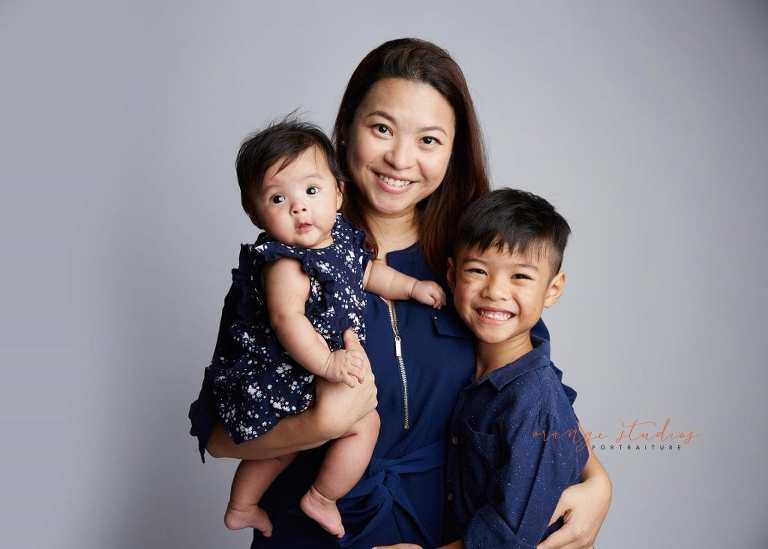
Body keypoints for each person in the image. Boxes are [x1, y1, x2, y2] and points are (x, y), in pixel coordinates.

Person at [189, 38, 612, 548]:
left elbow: (530, 395)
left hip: (437, 530)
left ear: (453, 152)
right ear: (345, 132)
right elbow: (218, 434)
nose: (400, 158)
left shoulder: (475, 270)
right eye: (382, 129)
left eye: (429, 140)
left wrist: (598, 482)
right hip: (308, 532)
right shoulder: (285, 264)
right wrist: (317, 425)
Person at [209, 120, 446, 539]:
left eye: (311, 192)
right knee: (324, 436)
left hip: (321, 377)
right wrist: (329, 363)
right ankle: (299, 499)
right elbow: (288, 320)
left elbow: (368, 273)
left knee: (323, 437)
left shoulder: (341, 240)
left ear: (338, 193)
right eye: (278, 199)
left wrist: (412, 287)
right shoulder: (284, 262)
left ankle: (249, 505)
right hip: (291, 373)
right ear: (255, 213)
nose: (299, 207)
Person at [436, 188, 587, 548]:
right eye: (477, 270)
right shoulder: (463, 367)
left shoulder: (535, 400)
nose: (495, 291)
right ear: (452, 274)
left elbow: (509, 535)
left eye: (520, 277)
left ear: (552, 290)